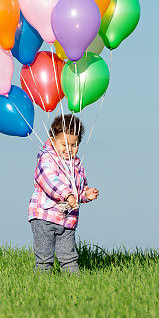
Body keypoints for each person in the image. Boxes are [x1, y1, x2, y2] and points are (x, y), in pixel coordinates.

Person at [28, 114, 99, 273]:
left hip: (68, 219)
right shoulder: (47, 158)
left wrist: (84, 195)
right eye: (64, 144)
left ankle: (74, 286)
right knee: (45, 257)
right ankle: (40, 285)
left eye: (74, 145)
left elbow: (77, 189)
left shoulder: (76, 164)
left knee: (69, 256)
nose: (69, 149)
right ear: (53, 141)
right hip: (44, 216)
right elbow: (50, 180)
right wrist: (68, 195)